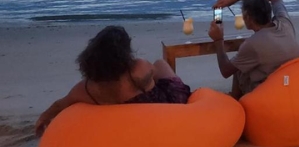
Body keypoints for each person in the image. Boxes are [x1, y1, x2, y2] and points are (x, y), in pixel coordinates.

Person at [35, 26, 191, 137]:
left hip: (128, 124)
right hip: (167, 111)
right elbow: (155, 71)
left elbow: (60, 104)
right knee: (159, 63)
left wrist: (44, 117)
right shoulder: (139, 68)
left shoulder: (87, 88)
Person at [208, 0, 299, 99]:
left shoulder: (252, 44)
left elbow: (225, 71)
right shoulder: (285, 23)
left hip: (271, 92)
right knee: (244, 61)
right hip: (291, 82)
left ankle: (236, 100)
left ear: (248, 18)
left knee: (239, 66)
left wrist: (218, 40)